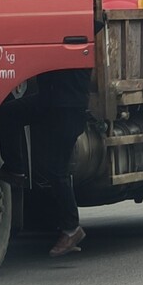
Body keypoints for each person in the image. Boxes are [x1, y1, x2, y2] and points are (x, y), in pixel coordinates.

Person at [41, 69, 93, 257]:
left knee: (56, 169)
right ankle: (13, 169)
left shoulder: (80, 43)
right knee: (9, 113)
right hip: (52, 103)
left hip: (69, 107)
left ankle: (72, 229)